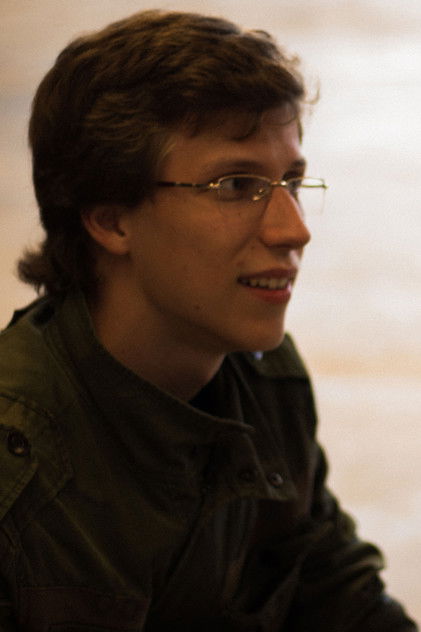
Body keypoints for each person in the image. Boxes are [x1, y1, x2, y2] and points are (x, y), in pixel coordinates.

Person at [0, 9, 417, 631]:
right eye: (236, 185)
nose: (294, 229)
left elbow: (333, 589)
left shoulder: (263, 374)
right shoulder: (19, 461)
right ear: (110, 219)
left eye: (292, 182)